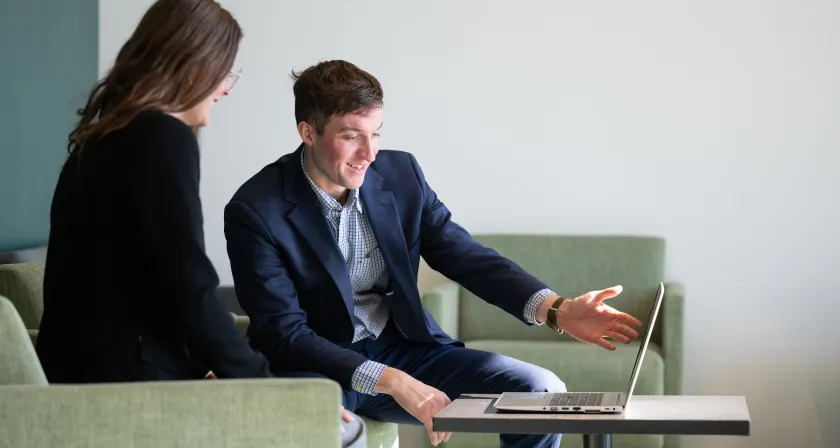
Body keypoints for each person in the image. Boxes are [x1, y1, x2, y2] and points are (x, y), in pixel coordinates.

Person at [224, 59, 644, 448]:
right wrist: (394, 382)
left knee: (541, 390)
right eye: (351, 136)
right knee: (330, 430)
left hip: (404, 348)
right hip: (317, 369)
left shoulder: (401, 175)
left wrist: (557, 310)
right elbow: (285, 334)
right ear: (308, 132)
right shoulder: (256, 210)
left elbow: (464, 255)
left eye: (376, 134)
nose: (369, 153)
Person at [35, 0, 365, 447]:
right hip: (130, 386)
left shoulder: (103, 137)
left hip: (79, 376)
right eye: (224, 71)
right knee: (343, 432)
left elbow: (143, 286)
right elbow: (188, 284)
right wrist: (272, 391)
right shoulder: (162, 137)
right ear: (194, 65)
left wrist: (205, 367)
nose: (226, 88)